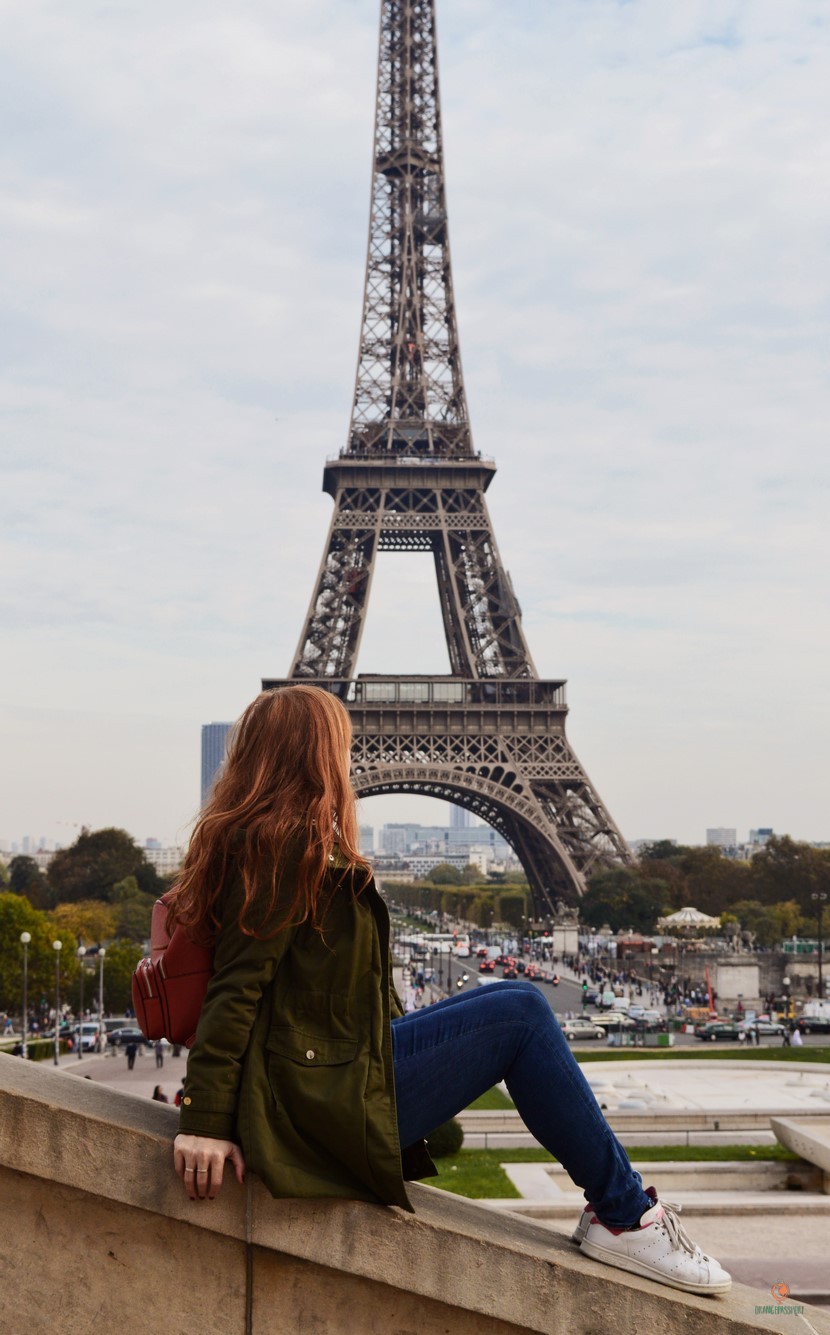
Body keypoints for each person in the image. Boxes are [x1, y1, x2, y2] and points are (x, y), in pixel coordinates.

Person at [170, 686, 730, 1298]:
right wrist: (206, 1121)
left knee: (516, 999)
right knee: (521, 1010)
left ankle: (619, 1210)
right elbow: (235, 993)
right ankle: (623, 1215)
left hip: (319, 1078)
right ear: (317, 754)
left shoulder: (269, 841)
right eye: (340, 744)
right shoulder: (280, 846)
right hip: (309, 1099)